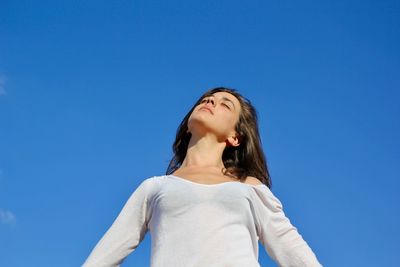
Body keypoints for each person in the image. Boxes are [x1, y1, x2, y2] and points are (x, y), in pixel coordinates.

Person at [82, 87, 322, 267]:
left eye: (225, 104)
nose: (210, 101)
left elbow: (289, 245)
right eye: (208, 99)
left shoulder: (248, 186)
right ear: (188, 125)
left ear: (235, 137)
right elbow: (105, 254)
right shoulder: (154, 187)